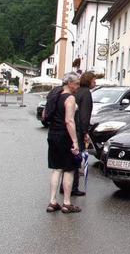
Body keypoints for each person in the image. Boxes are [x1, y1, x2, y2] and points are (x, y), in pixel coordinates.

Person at [46, 72, 82, 214]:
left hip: (52, 135)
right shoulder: (70, 98)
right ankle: (67, 203)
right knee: (68, 169)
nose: (78, 86)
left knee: (56, 169)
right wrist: (75, 141)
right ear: (69, 83)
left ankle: (52, 202)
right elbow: (69, 120)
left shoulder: (54, 96)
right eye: (77, 83)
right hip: (64, 136)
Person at [71, 71, 95, 195]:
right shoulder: (86, 93)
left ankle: (65, 186)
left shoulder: (77, 91)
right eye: (93, 80)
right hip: (79, 129)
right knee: (77, 158)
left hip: (73, 126)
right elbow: (84, 114)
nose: (95, 82)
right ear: (89, 81)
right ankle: (73, 187)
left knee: (71, 158)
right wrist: (85, 132)